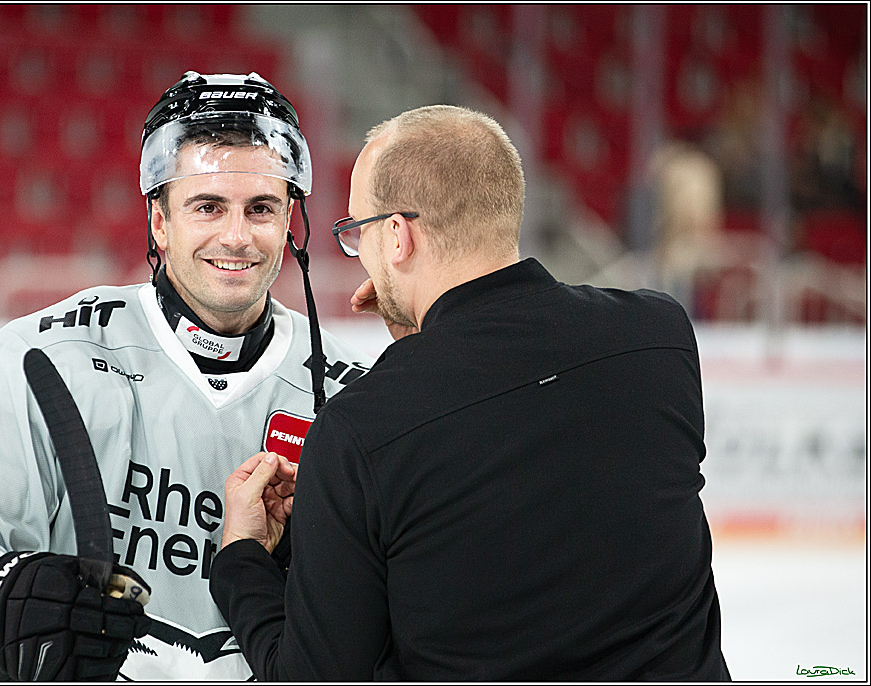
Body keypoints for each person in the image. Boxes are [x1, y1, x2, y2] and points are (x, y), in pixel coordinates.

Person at [209, 105, 732, 680]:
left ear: (398, 235)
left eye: (358, 231)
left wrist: (242, 562)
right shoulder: (659, 339)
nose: (361, 251)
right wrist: (424, 336)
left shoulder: (364, 427)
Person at [0, 71, 372, 681]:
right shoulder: (43, 360)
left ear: (290, 224)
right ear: (159, 222)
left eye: (262, 209)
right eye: (208, 207)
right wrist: (5, 607)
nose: (238, 236)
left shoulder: (351, 397)